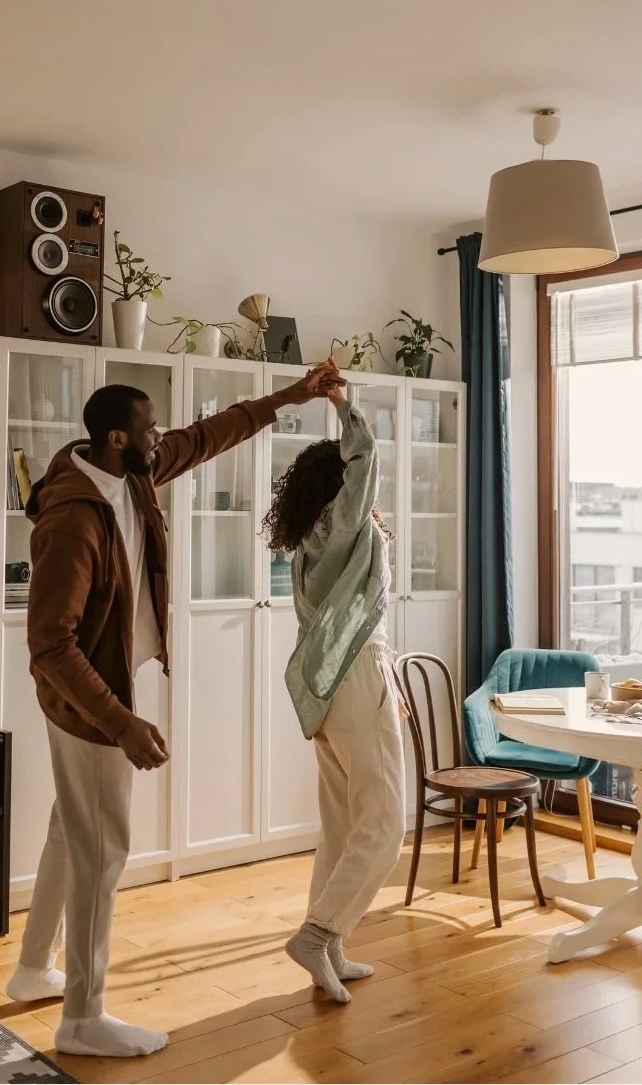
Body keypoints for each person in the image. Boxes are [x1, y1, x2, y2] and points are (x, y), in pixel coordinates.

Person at [5, 361, 344, 1058]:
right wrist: (122, 723)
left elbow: (207, 435)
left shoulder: (126, 475)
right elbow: (49, 644)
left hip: (100, 684)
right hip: (88, 699)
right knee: (102, 849)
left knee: (73, 831)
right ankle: (82, 1016)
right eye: (148, 427)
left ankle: (32, 967)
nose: (160, 437)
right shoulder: (73, 518)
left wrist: (291, 395)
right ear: (117, 438)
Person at [262, 363, 406, 1005]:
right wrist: (341, 403)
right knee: (384, 824)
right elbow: (367, 453)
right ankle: (319, 934)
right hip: (353, 677)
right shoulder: (344, 528)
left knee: (344, 825)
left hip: (327, 687)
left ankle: (333, 948)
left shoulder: (313, 544)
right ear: (340, 485)